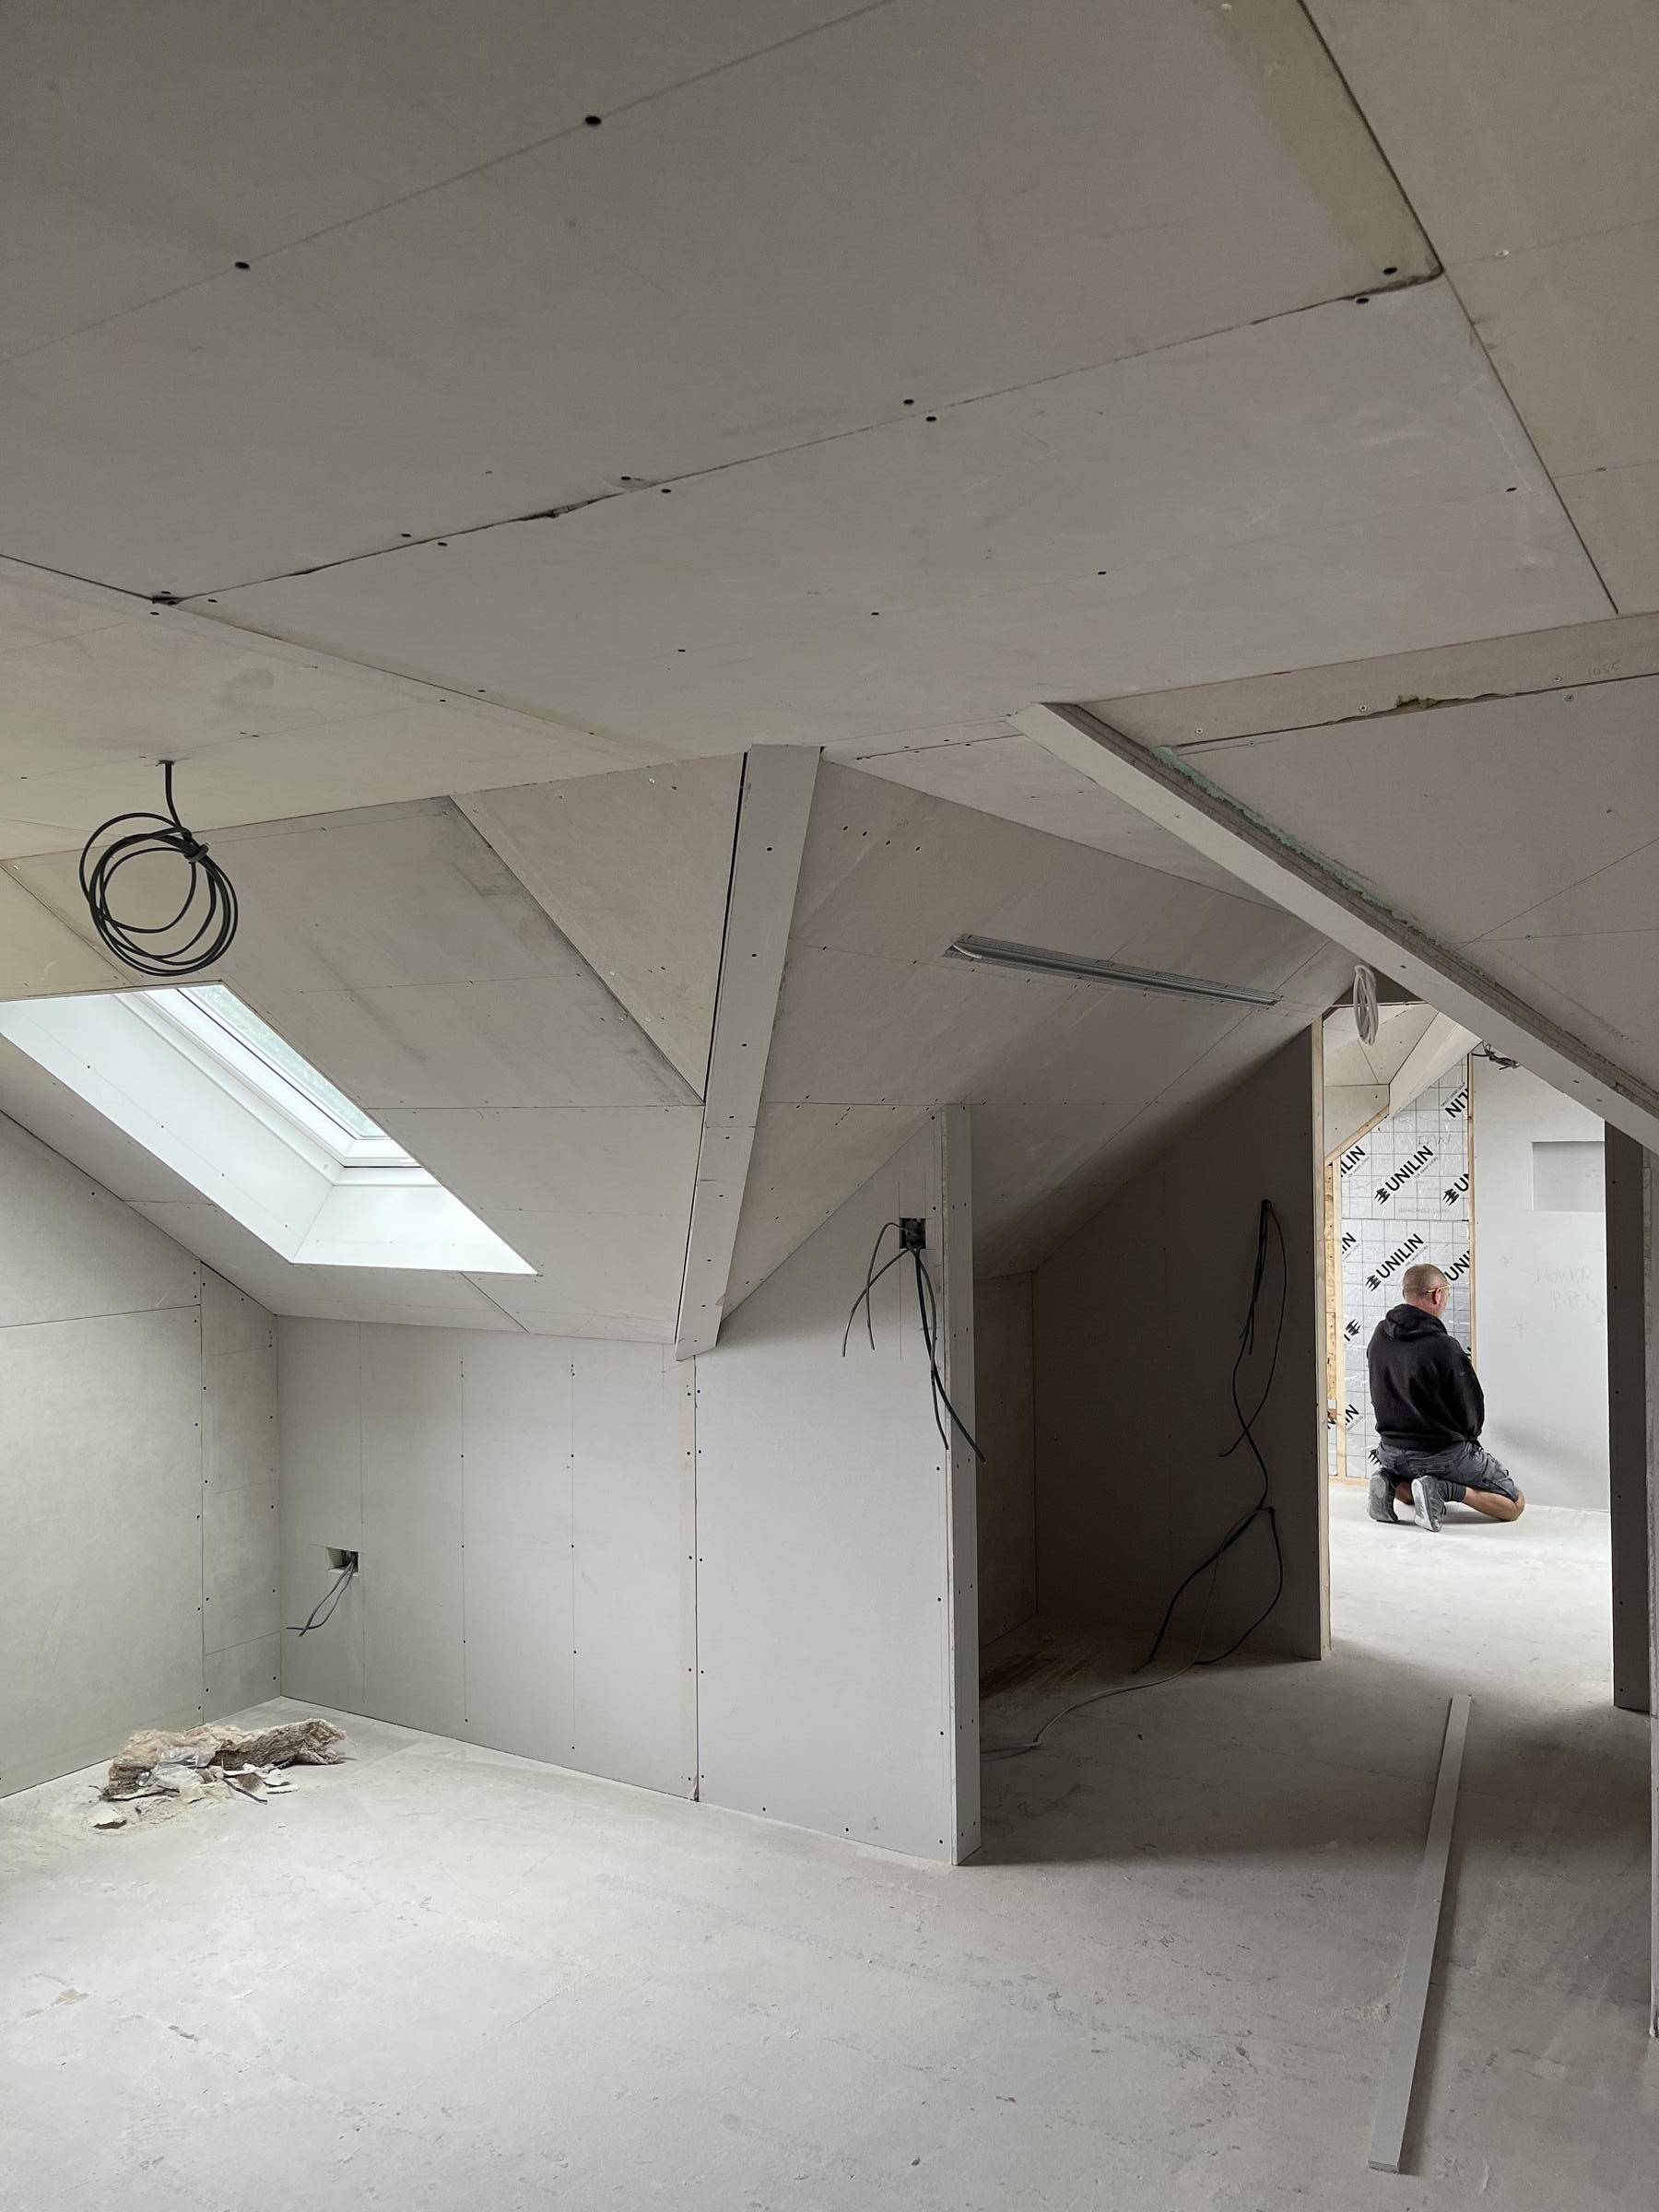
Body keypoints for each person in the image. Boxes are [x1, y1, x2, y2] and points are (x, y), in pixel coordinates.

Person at [1365, 1261, 1525, 1531]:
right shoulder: (1443, 1347)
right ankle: (1444, 1488)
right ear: (1436, 1294)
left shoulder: (1380, 1336)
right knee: (1514, 1504)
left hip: (1390, 1452)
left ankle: (1388, 1481)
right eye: (1447, 1294)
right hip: (1440, 1453)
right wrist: (1468, 1443)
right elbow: (1471, 1414)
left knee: (1412, 1483)